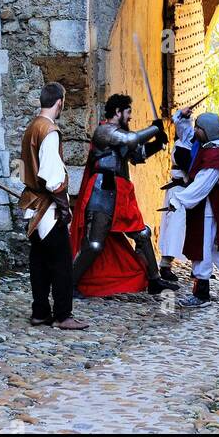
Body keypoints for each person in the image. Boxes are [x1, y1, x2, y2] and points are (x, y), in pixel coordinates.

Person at [70, 93, 174, 296]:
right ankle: (70, 284)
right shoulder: (104, 131)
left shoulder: (118, 134)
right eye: (128, 112)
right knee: (94, 244)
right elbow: (132, 139)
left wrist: (157, 143)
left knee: (142, 234)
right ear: (117, 112)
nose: (130, 117)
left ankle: (154, 280)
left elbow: (137, 154)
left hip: (121, 192)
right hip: (102, 191)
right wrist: (155, 128)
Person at [165, 112, 219, 309]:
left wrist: (180, 200)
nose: (195, 131)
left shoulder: (215, 154)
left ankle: (201, 294)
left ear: (207, 131)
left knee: (202, 249)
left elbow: (203, 184)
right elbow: (186, 133)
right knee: (214, 248)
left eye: (198, 128)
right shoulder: (210, 147)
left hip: (208, 206)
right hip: (208, 205)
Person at [18, 81, 88, 331]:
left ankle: (40, 312)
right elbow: (51, 178)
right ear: (60, 102)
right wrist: (65, 208)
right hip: (47, 208)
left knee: (39, 260)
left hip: (33, 204)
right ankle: (62, 315)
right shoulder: (49, 131)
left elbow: (26, 169)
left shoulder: (31, 127)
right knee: (61, 263)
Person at [158, 105, 197, 286]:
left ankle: (198, 268)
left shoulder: (189, 146)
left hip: (188, 191)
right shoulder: (182, 148)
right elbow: (191, 169)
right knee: (174, 227)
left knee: (192, 228)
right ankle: (165, 266)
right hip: (179, 191)